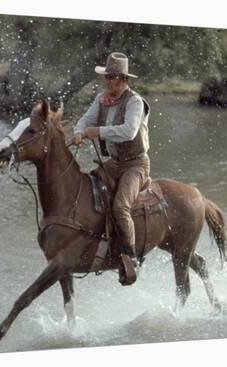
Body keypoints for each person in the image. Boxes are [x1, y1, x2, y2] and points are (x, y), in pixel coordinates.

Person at [72, 52, 151, 286]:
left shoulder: (135, 101)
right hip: (114, 163)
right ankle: (97, 243)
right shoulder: (102, 99)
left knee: (120, 207)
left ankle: (131, 258)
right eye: (107, 77)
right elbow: (86, 120)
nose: (108, 81)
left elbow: (129, 131)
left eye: (112, 77)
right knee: (87, 191)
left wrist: (99, 132)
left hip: (136, 165)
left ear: (123, 79)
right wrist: (78, 132)